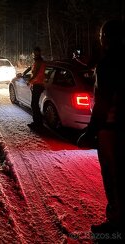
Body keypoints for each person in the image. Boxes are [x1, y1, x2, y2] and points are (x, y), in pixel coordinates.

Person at [77, 19, 125, 240]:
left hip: (110, 129)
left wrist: (90, 130)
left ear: (106, 38)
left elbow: (103, 102)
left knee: (112, 176)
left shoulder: (108, 64)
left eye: (102, 36)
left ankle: (114, 226)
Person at [24, 46, 46, 130]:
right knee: (34, 104)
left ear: (37, 53)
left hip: (38, 85)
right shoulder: (37, 61)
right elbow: (34, 73)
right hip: (36, 84)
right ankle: (37, 122)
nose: (33, 54)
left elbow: (38, 75)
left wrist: (30, 81)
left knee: (34, 104)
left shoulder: (39, 62)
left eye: (34, 53)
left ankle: (38, 123)